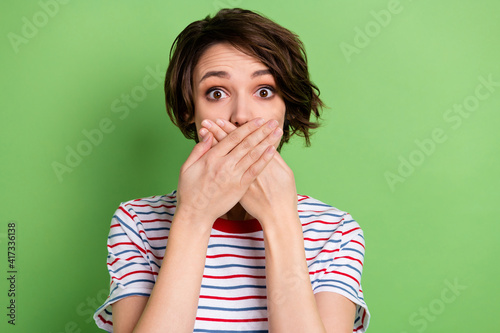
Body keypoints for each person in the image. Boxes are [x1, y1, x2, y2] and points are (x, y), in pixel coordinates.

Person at [94, 8, 370, 333]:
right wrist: (194, 215)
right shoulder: (137, 223)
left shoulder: (335, 232)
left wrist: (280, 218)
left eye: (264, 91)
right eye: (217, 92)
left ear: (288, 109)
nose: (241, 116)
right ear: (189, 112)